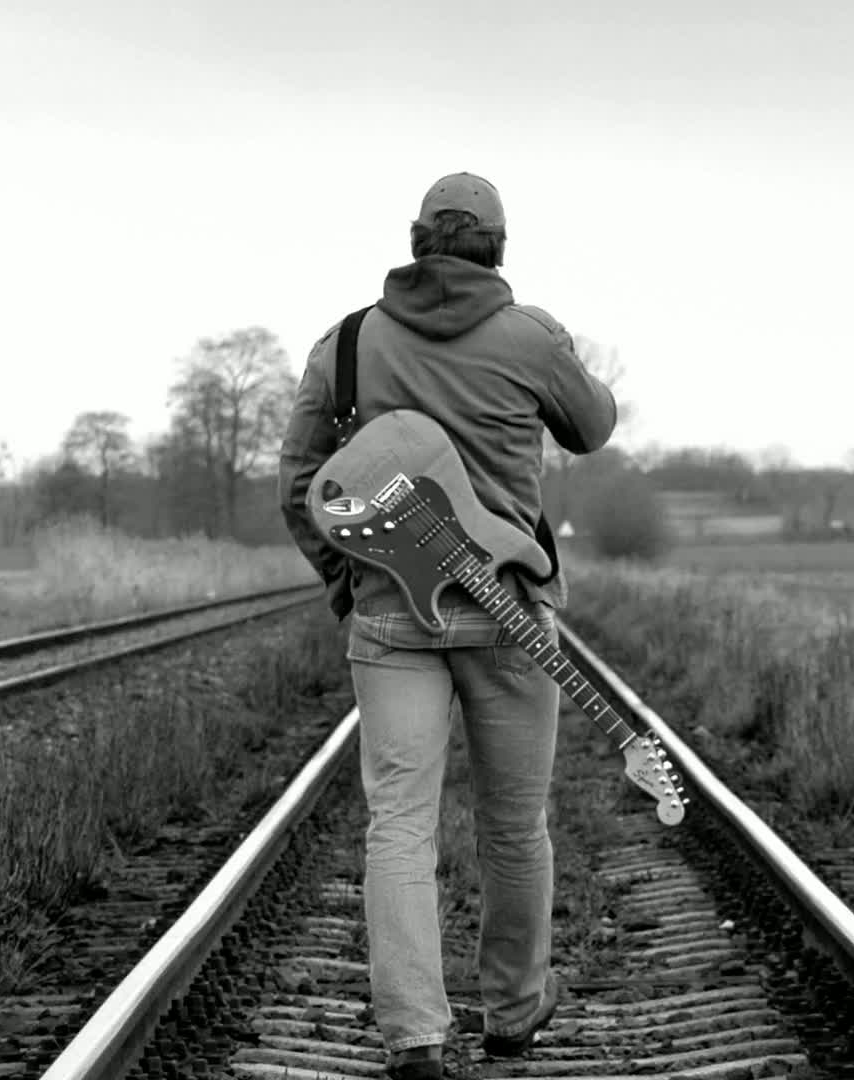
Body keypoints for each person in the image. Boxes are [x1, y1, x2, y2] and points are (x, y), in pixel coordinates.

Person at [277, 172, 618, 1080]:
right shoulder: (530, 338)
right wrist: (552, 352)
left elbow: (298, 487)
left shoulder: (346, 346)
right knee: (514, 827)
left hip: (391, 618)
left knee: (398, 825)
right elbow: (593, 427)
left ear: (415, 239)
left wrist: (349, 585)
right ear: (498, 249)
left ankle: (415, 1038)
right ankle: (512, 1015)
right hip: (513, 616)